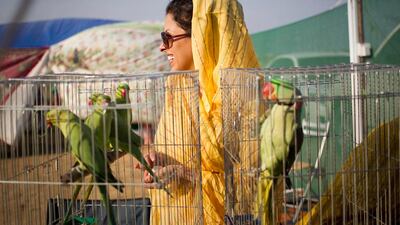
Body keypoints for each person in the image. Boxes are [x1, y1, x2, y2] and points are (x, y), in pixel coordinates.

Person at [135, 0, 260, 224]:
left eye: (168, 38)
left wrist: (184, 174)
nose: (162, 47)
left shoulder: (245, 97)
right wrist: (160, 159)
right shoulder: (179, 87)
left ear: (202, 37)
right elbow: (182, 151)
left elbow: (251, 186)